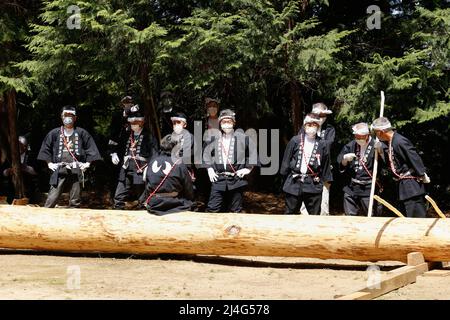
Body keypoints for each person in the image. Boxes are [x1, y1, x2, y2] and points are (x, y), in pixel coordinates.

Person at [37, 106, 101, 208]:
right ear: (62, 117)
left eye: (71, 116)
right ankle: (46, 216)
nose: (68, 118)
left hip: (76, 168)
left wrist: (87, 164)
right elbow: (45, 148)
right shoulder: (54, 133)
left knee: (75, 200)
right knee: (52, 198)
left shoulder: (81, 133)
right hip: (59, 168)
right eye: (66, 116)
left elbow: (91, 148)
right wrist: (49, 163)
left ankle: (74, 218)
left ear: (75, 118)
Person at [371, 117, 430, 218]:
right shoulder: (391, 141)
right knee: (405, 218)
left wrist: (421, 173)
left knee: (416, 220)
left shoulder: (399, 141)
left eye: (376, 133)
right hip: (403, 186)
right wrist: (381, 151)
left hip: (411, 188)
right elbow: (394, 162)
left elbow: (413, 156)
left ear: (381, 132)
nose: (376, 136)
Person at [203, 109, 258, 213]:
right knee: (212, 209)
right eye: (224, 122)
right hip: (218, 179)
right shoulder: (213, 138)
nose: (226, 124)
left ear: (234, 123)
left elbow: (253, 153)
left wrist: (248, 168)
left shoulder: (243, 138)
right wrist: (209, 168)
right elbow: (205, 154)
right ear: (220, 123)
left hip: (236, 180)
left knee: (235, 210)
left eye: (229, 121)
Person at [280, 113, 333, 215]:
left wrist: (326, 183)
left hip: (313, 184)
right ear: (304, 125)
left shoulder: (323, 144)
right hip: (294, 183)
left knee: (314, 216)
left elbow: (326, 166)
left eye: (314, 125)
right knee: (290, 214)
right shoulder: (295, 140)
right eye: (309, 124)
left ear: (318, 126)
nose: (311, 127)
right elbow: (286, 162)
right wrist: (284, 179)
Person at [111, 107, 158, 209]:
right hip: (126, 167)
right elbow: (117, 146)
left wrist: (149, 169)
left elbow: (154, 154)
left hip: (140, 169)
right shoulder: (126, 134)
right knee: (119, 195)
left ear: (142, 122)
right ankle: (118, 211)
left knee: (142, 196)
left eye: (136, 122)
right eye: (132, 122)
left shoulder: (148, 136)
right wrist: (113, 153)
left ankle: (142, 213)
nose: (134, 124)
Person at [337, 122, 382, 216]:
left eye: (362, 136)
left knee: (371, 215)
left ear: (368, 135)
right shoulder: (351, 145)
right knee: (350, 215)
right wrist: (345, 160)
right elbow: (340, 161)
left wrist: (381, 151)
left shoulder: (376, 145)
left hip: (369, 187)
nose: (360, 139)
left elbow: (385, 163)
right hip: (352, 186)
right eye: (357, 137)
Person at [144, 135, 194, 215]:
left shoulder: (152, 161)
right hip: (174, 204)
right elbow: (188, 189)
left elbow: (147, 184)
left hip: (154, 204)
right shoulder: (179, 163)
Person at [300, 102, 335, 216]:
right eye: (318, 115)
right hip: (307, 170)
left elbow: (328, 146)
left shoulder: (329, 129)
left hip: (323, 169)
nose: (321, 118)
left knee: (324, 202)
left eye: (323, 115)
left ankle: (323, 221)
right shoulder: (305, 128)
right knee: (305, 202)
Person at [1, 136, 38, 203]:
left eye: (24, 146)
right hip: (12, 189)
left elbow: (36, 172)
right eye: (19, 145)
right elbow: (3, 171)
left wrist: (24, 168)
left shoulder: (31, 156)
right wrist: (8, 171)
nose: (22, 148)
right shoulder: (9, 157)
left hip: (28, 188)